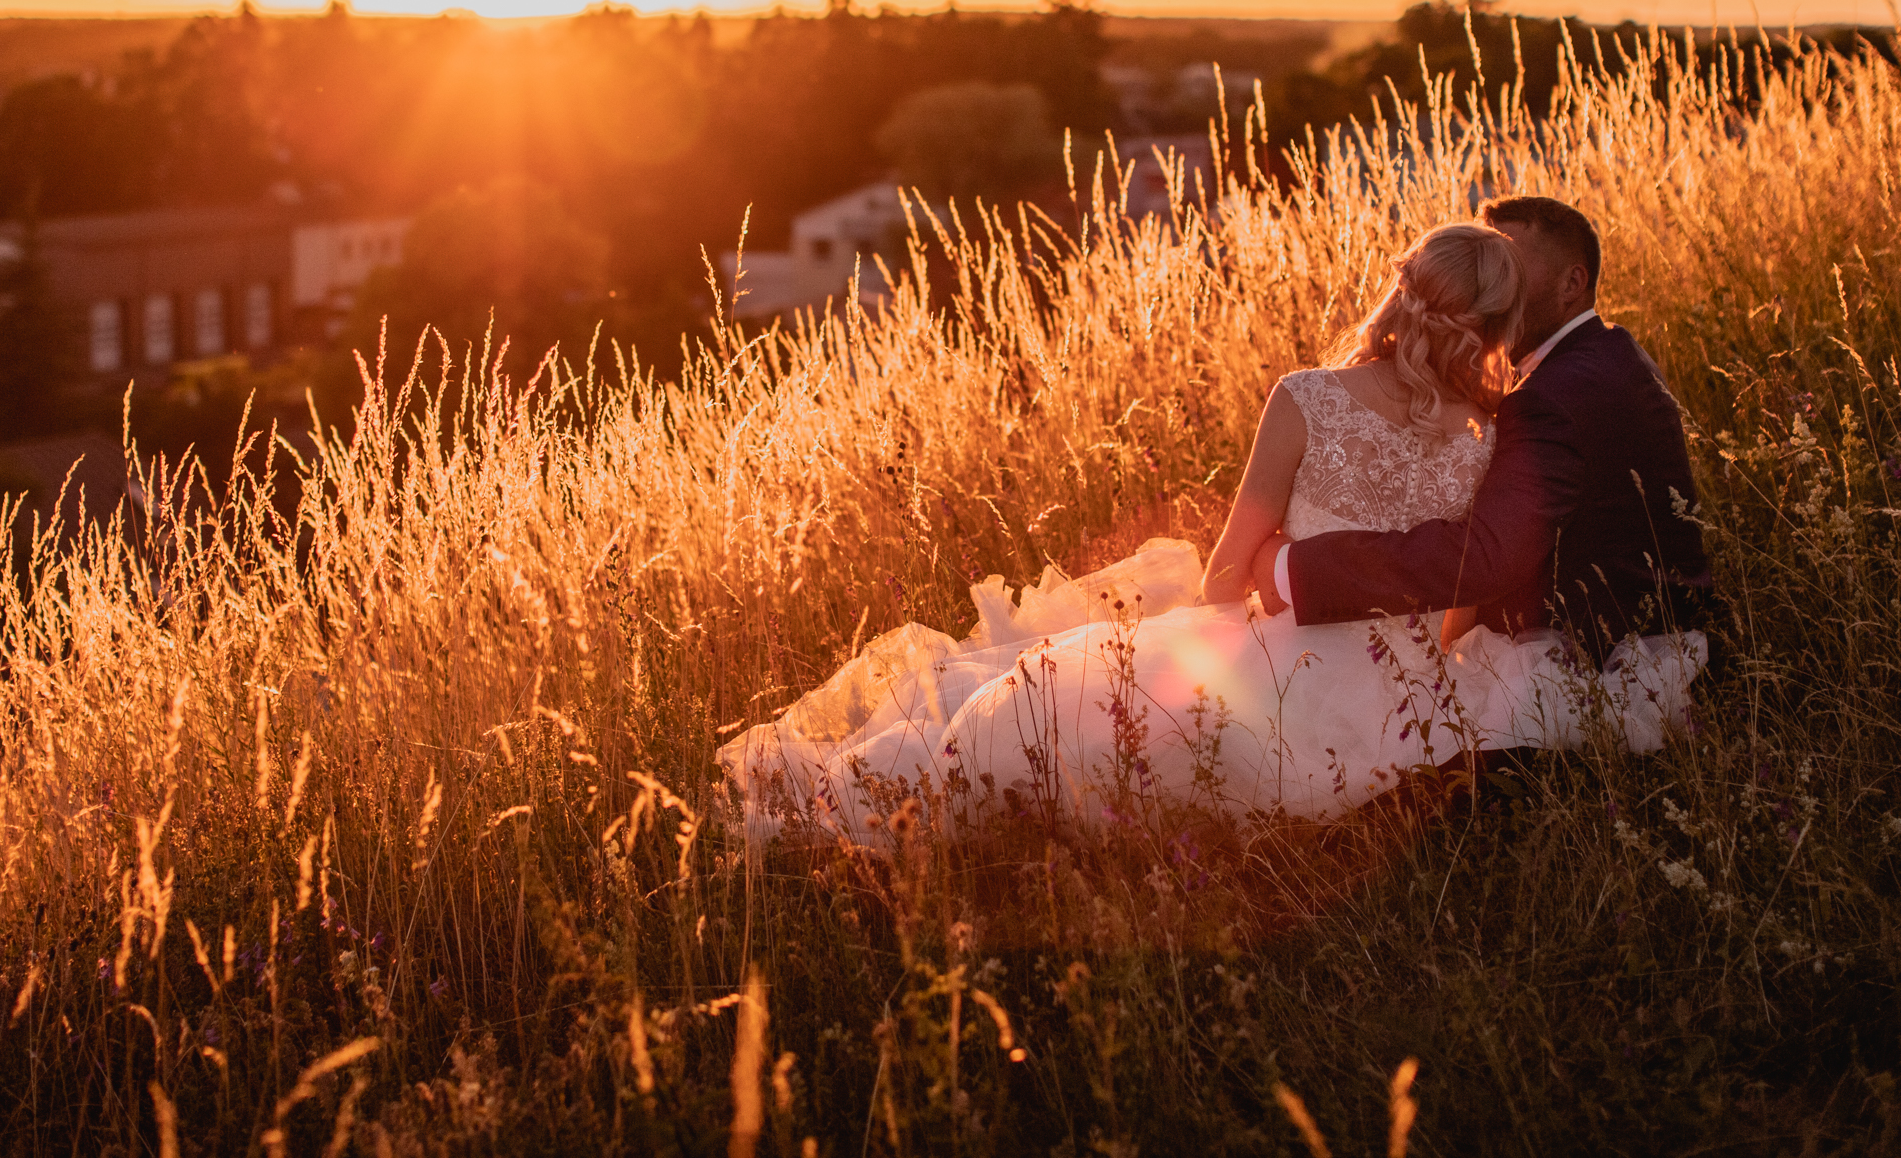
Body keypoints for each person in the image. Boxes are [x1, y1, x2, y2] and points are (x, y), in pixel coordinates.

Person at [720, 214, 1704, 846]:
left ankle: (834, 812)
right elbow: (1463, 591)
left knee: (1035, 694)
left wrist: (1237, 605)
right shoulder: (1491, 430)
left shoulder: (1306, 397)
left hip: (1284, 668)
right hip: (1403, 701)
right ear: (1494, 323)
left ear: (1401, 290)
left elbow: (1227, 572)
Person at [1259, 195, 1713, 673]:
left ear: (1573, 283)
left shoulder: (1553, 395)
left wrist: (1291, 570)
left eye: (1510, 266)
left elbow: (1485, 557)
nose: (1492, 285)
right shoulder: (1608, 353)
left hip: (1614, 664)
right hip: (1658, 637)